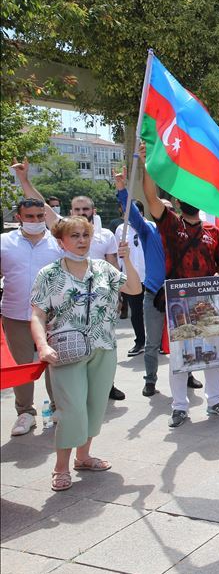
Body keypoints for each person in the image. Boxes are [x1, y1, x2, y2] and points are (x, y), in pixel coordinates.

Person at [30, 216, 142, 491]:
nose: (82, 241)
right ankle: (60, 467)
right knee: (72, 410)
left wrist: (125, 260)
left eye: (85, 235)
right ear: (61, 241)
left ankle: (83, 457)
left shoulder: (104, 268)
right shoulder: (49, 274)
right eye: (75, 236)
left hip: (103, 347)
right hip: (66, 351)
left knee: (94, 407)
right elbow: (37, 314)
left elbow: (135, 289)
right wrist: (43, 345)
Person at [13, 160, 126, 401]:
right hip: (69, 310)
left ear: (93, 212)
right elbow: (42, 206)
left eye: (86, 210)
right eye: (77, 210)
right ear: (70, 214)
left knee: (101, 352)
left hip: (99, 302)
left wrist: (118, 297)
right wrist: (25, 181)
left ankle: (106, 387)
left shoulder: (105, 235)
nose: (82, 214)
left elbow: (114, 267)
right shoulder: (63, 230)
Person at [141, 159, 219, 427]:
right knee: (180, 358)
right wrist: (149, 164)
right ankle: (179, 406)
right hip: (178, 304)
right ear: (179, 203)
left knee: (213, 355)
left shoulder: (213, 231)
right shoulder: (170, 225)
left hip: (207, 303)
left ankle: (214, 401)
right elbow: (150, 196)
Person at [114, 160, 202, 397]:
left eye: (169, 210)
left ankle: (189, 375)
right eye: (160, 209)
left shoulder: (184, 232)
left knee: (185, 340)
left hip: (181, 295)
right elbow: (132, 213)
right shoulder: (148, 230)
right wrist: (123, 189)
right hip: (154, 294)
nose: (165, 213)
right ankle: (150, 380)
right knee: (152, 343)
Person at [1, 196, 61, 437]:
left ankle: (59, 408)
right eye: (30, 217)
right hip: (15, 315)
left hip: (53, 316)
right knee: (22, 366)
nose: (35, 221)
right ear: (19, 218)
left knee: (55, 364)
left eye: (40, 216)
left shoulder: (57, 243)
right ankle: (25, 413)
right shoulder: (4, 242)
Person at [114, 200, 147, 357]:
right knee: (136, 312)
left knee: (155, 312)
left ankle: (159, 342)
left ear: (141, 213)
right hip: (131, 278)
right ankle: (140, 341)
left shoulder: (151, 227)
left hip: (150, 277)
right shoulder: (121, 229)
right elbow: (117, 254)